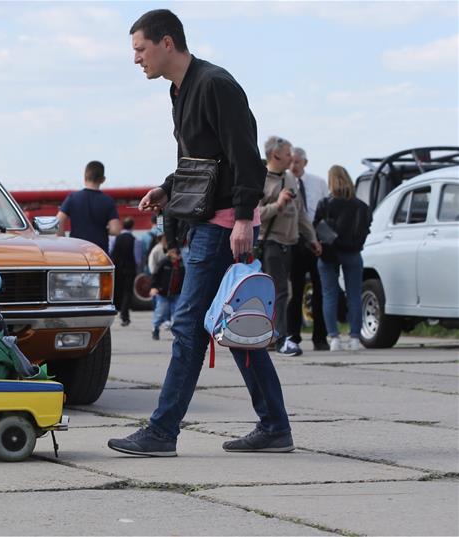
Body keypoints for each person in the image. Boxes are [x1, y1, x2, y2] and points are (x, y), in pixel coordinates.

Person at [108, 9, 295, 457]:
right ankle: (274, 427)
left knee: (190, 326)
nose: (136, 59)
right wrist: (167, 188)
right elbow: (201, 162)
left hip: (225, 226)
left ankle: (161, 431)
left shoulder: (215, 85)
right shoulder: (180, 90)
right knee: (234, 327)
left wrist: (246, 217)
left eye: (139, 48)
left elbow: (245, 156)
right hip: (206, 223)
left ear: (166, 43)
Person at [257, 136, 322, 357]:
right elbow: (254, 215)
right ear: (275, 155)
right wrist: (278, 204)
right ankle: (279, 337)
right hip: (270, 242)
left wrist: (312, 238)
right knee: (281, 291)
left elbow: (301, 212)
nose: (291, 158)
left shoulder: (291, 180)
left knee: (284, 292)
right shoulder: (260, 179)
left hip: (290, 243)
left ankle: (271, 336)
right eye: (287, 154)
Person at [314, 166, 372, 352]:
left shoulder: (325, 203)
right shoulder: (361, 206)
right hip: (353, 253)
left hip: (329, 253)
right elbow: (366, 227)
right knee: (354, 295)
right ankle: (355, 337)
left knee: (329, 295)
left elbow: (316, 226)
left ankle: (334, 338)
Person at [287, 147, 330, 351]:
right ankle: (293, 335)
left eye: (297, 162)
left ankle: (320, 337)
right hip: (293, 239)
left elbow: (326, 210)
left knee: (319, 290)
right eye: (291, 161)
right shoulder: (285, 182)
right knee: (294, 291)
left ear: (305, 162)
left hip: (315, 240)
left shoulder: (318, 183)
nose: (293, 166)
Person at [56, 161, 122, 254]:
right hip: (100, 252)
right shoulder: (108, 201)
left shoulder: (73, 198)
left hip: (77, 251)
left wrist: (65, 241)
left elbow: (57, 222)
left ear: (85, 177)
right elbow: (115, 230)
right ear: (103, 179)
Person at [149, 239, 184, 340]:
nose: (176, 254)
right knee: (160, 311)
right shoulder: (163, 263)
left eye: (177, 251)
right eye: (173, 251)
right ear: (168, 252)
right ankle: (155, 328)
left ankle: (177, 333)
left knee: (177, 313)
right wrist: (154, 287)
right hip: (163, 292)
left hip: (176, 293)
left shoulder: (181, 264)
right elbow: (155, 275)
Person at [111, 217, 137, 326]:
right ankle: (124, 315)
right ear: (132, 226)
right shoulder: (134, 239)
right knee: (127, 292)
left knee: (118, 290)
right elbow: (138, 257)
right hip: (130, 269)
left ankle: (117, 309)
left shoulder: (116, 238)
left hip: (118, 268)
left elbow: (112, 253)